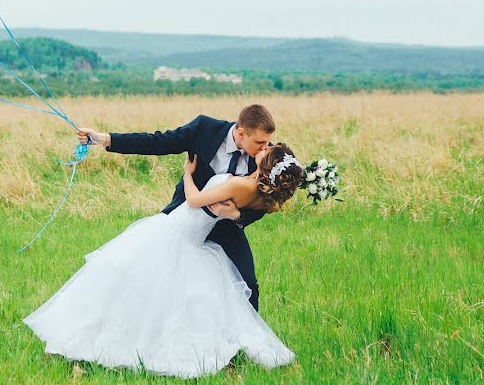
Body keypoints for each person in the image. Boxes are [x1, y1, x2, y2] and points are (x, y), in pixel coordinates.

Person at [24, 143, 304, 377]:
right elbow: (232, 212)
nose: (264, 146)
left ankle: (102, 341)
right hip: (195, 241)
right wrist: (231, 214)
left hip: (175, 232)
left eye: (268, 148)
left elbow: (193, 200)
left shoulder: (238, 184)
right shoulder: (258, 195)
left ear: (265, 163)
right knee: (180, 298)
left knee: (124, 280)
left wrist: (187, 175)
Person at [76, 104, 276, 310]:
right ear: (241, 132)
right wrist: (106, 139)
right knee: (155, 278)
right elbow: (157, 142)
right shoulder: (204, 129)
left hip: (228, 228)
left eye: (267, 142)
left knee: (248, 285)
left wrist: (236, 216)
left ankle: (245, 339)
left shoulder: (265, 157)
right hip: (187, 221)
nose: (265, 147)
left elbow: (267, 200)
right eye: (259, 142)